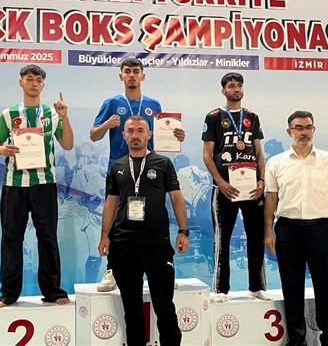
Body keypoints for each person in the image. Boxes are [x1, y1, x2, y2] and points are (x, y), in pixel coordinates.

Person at [90, 57, 185, 292]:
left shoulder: (153, 103)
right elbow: (93, 135)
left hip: (149, 168)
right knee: (116, 219)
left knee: (155, 216)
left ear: (143, 76)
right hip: (120, 169)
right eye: (127, 71)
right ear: (121, 76)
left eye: (135, 71)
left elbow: (160, 136)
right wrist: (106, 125)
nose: (131, 75)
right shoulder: (111, 103)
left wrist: (176, 137)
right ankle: (112, 268)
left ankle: (162, 267)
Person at [98, 115, 189, 346]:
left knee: (164, 307)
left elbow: (176, 198)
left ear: (149, 134)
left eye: (140, 130)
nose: (135, 135)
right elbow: (111, 203)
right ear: (124, 135)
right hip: (124, 246)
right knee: (132, 310)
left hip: (157, 245)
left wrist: (183, 231)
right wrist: (104, 235)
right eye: (130, 131)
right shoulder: (117, 166)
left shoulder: (163, 163)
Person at [264, 110, 328, 346]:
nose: (304, 132)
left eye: (308, 127)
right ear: (289, 131)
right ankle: (297, 341)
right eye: (299, 128)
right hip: (287, 231)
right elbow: (271, 198)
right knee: (291, 289)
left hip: (321, 230)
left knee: (326, 288)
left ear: (314, 130)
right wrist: (268, 231)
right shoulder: (276, 163)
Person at [0, 64, 73, 308]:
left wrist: (65, 117)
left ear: (43, 85)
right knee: (11, 238)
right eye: (29, 79)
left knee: (47, 238)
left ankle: (53, 291)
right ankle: (8, 293)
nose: (34, 83)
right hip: (14, 184)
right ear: (21, 82)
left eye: (38, 80)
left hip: (44, 184)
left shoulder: (53, 114)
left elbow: (67, 144)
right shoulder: (9, 114)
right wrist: (2, 150)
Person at [201, 72, 271, 303]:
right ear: (223, 91)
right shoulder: (214, 117)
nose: (236, 89)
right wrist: (220, 183)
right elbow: (207, 155)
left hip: (252, 188)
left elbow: (259, 153)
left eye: (239, 85)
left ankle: (257, 286)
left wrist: (262, 181)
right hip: (225, 189)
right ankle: (221, 289)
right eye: (231, 86)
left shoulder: (252, 117)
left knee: (256, 236)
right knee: (223, 239)